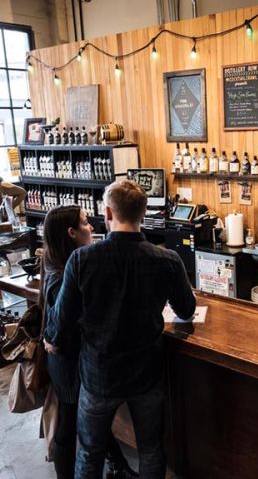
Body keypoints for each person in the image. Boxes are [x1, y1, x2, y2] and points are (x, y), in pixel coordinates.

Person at [44, 180, 196, 478]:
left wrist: (52, 339)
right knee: (151, 450)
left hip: (99, 374)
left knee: (89, 453)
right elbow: (187, 310)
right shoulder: (167, 259)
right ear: (143, 213)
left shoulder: (82, 259)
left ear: (108, 213)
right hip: (146, 374)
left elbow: (62, 319)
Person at [40, 205, 138, 479]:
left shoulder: (60, 264)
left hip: (68, 359)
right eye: (85, 223)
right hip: (69, 363)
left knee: (93, 420)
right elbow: (64, 326)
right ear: (71, 233)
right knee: (69, 424)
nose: (92, 227)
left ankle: (119, 466)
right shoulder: (63, 276)